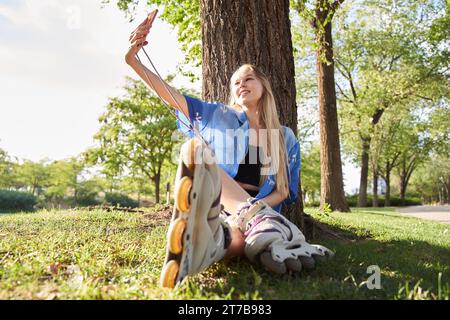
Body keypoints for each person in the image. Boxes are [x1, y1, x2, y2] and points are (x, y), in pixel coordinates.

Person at [126, 10, 333, 288]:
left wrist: (253, 212)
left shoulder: (282, 137)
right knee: (199, 152)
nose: (241, 84)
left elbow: (282, 192)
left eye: (248, 79)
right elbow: (170, 96)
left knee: (234, 237)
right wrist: (132, 60)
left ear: (264, 86)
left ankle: (208, 247)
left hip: (257, 217)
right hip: (220, 203)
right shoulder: (217, 116)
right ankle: (241, 233)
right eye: (236, 82)